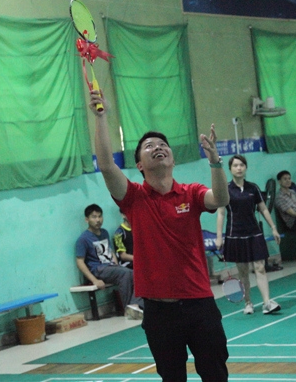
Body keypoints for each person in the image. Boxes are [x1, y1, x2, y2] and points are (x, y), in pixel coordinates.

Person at [88, 89, 230, 382]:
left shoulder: (191, 193)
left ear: (172, 159)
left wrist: (215, 162)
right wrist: (101, 117)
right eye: (149, 146)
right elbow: (106, 165)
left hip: (200, 304)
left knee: (216, 375)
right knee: (172, 378)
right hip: (159, 311)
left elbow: (220, 199)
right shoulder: (133, 198)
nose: (158, 147)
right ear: (139, 165)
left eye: (163, 144)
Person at [215, 155, 282, 316]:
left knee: (260, 267)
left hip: (254, 233)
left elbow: (263, 208)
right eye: (235, 165)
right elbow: (221, 213)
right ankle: (248, 303)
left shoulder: (253, 188)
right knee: (243, 272)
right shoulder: (226, 189)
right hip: (235, 235)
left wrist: (273, 228)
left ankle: (267, 302)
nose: (239, 168)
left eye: (242, 165)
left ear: (246, 168)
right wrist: (219, 236)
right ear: (230, 169)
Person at [75, 204, 143, 319]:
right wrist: (94, 280)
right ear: (87, 220)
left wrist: (117, 265)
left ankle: (134, 306)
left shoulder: (104, 233)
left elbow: (110, 252)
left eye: (100, 216)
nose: (98, 220)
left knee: (138, 273)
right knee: (126, 274)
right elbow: (80, 262)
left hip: (111, 268)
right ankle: (129, 308)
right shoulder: (83, 239)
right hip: (98, 269)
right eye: (94, 217)